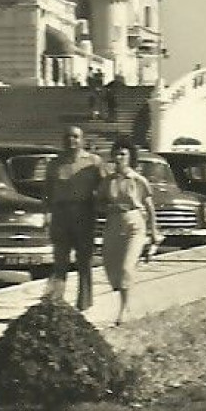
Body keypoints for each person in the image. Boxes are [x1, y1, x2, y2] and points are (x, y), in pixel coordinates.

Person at [96, 140, 158, 325]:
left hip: (134, 224)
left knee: (126, 268)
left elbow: (149, 206)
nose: (119, 157)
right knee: (112, 266)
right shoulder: (108, 181)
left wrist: (154, 231)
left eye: (123, 154)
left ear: (130, 157)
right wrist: (108, 206)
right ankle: (125, 297)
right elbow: (98, 202)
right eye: (117, 154)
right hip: (113, 223)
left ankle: (124, 309)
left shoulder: (138, 180)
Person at [44, 125, 105, 311]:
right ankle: (56, 301)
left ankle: (84, 302)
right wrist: (46, 214)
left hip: (84, 213)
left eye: (76, 137)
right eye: (68, 137)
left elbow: (105, 186)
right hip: (60, 215)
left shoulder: (93, 162)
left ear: (82, 140)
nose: (72, 140)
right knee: (60, 259)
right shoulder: (54, 164)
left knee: (84, 260)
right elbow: (47, 192)